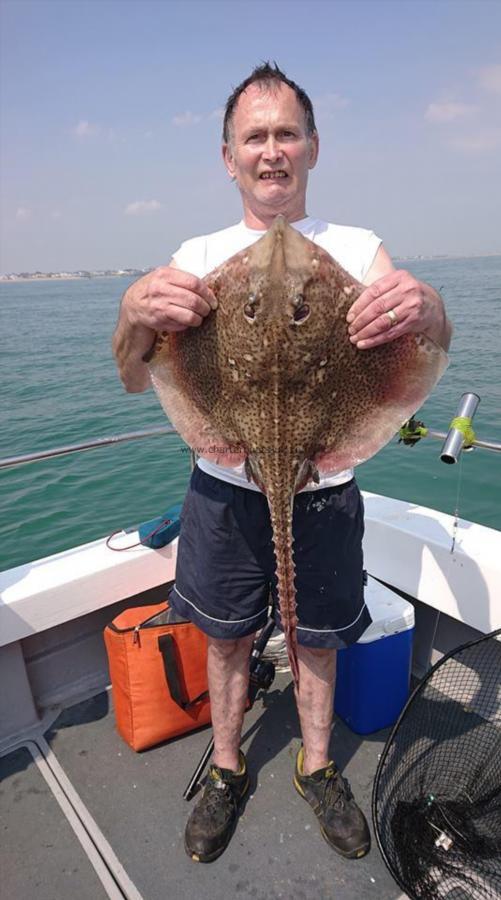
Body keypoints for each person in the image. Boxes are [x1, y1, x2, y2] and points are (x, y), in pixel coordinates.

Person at [112, 63, 452, 864]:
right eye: (254, 137)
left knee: (320, 634)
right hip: (222, 492)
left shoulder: (359, 248)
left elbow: (424, 348)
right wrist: (131, 311)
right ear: (228, 157)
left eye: (286, 133)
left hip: (325, 488)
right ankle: (227, 770)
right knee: (227, 637)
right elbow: (134, 374)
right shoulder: (193, 255)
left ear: (311, 148)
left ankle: (317, 764)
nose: (272, 151)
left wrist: (427, 303)